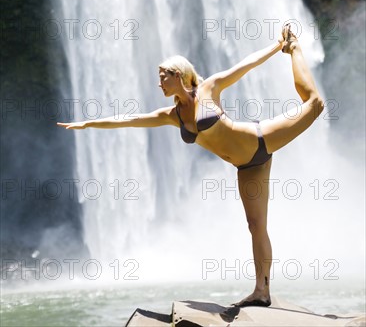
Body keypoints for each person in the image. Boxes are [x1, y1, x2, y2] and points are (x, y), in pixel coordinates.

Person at [57, 24, 324, 307]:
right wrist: (88, 124)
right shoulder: (173, 115)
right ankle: (262, 290)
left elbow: (245, 65)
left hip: (261, 140)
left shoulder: (209, 88)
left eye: (163, 78)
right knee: (255, 225)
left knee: (314, 103)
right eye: (159, 78)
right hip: (247, 167)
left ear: (178, 75)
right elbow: (132, 118)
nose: (159, 83)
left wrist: (277, 47)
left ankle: (293, 48)